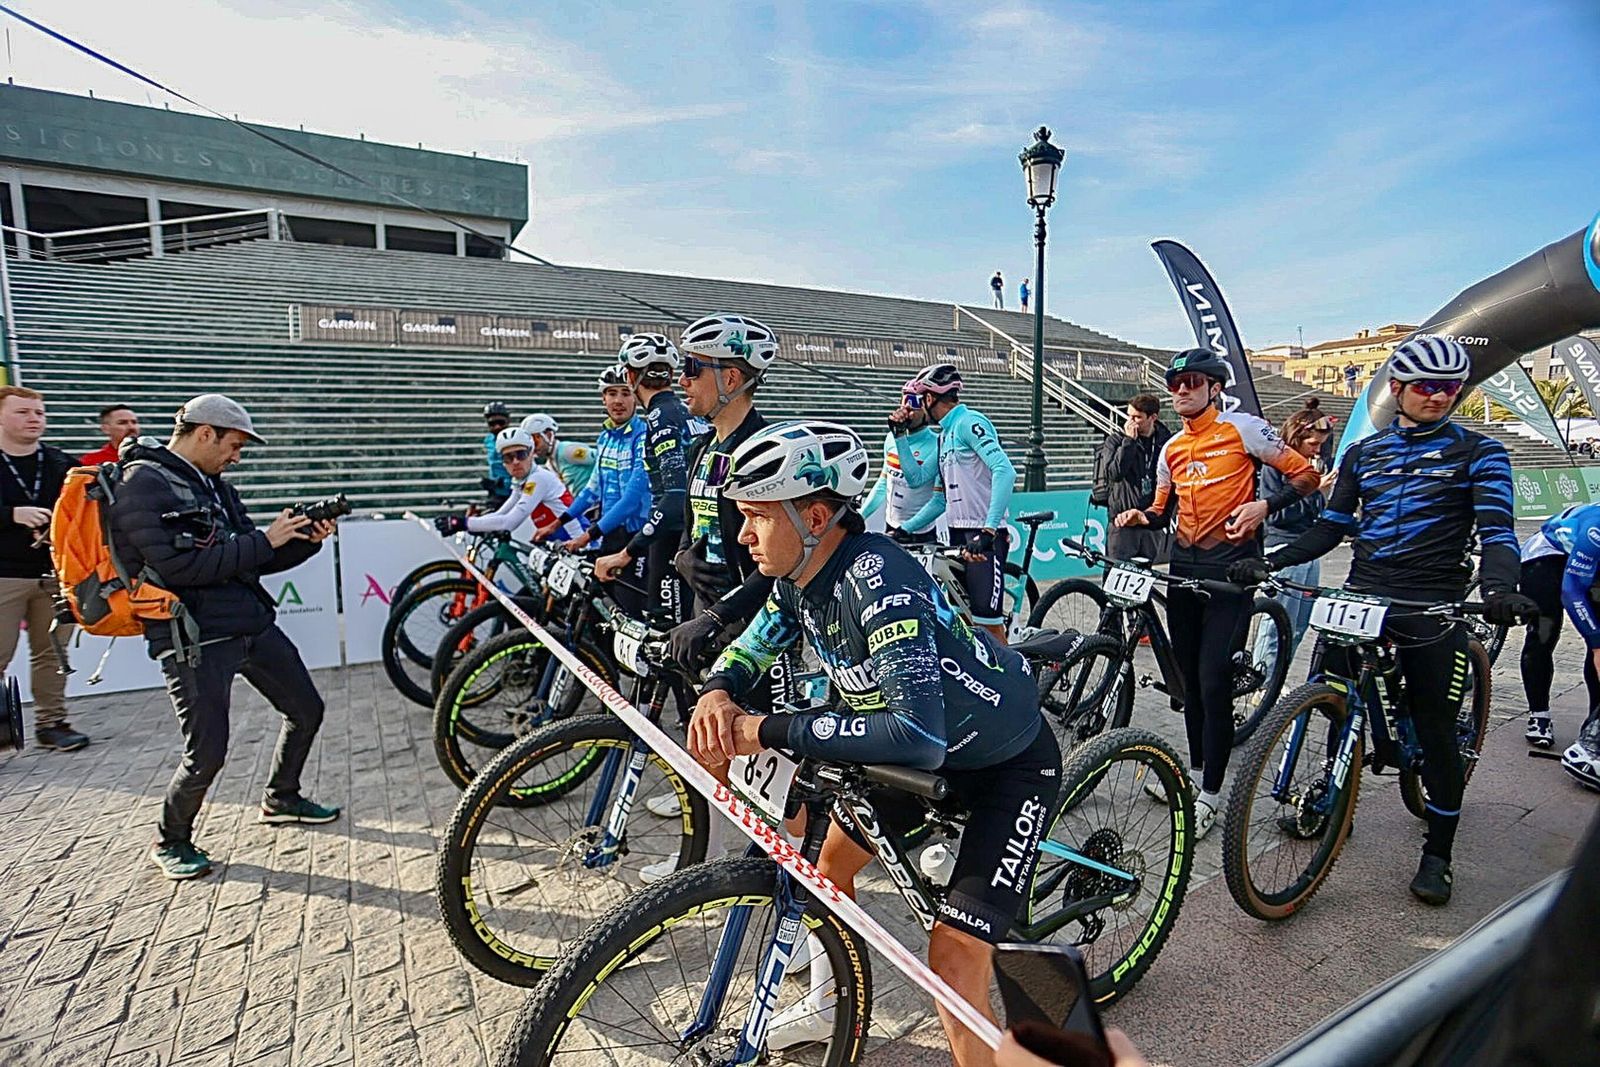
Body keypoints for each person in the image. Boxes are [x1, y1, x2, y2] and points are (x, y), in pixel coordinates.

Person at [686, 420, 1059, 1067]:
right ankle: (831, 1007)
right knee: (828, 871)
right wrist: (719, 688)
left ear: (817, 516)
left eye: (756, 517)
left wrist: (764, 729)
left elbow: (917, 735)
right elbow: (754, 645)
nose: (743, 534)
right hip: (911, 748)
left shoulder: (879, 581)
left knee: (952, 955)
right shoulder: (799, 576)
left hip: (1005, 763)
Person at [1229, 336, 1536, 904]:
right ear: (1396, 389)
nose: (1439, 396)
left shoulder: (1480, 452)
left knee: (1438, 732)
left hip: (1431, 602)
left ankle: (1438, 853)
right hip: (1364, 595)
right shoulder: (1364, 454)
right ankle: (1331, 790)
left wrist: (1500, 589)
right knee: (1329, 691)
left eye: (1451, 387)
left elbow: (1497, 533)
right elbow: (1330, 529)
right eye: (1426, 386)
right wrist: (1269, 559)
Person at [109, 395, 341, 881]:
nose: (237, 457)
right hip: (193, 639)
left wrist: (305, 542)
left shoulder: (212, 484)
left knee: (307, 710)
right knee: (207, 752)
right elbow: (182, 568)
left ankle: (282, 797)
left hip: (249, 622)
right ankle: (170, 839)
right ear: (205, 433)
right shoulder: (140, 485)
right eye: (234, 446)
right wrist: (265, 540)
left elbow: (252, 557)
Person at [1116, 350, 1319, 839]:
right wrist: (1143, 516)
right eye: (1175, 384)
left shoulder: (1243, 429)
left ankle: (1211, 793)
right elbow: (1163, 510)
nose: (1182, 390)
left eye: (1192, 382)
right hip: (1185, 571)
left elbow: (1306, 476)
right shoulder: (1171, 450)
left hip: (1232, 572)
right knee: (1188, 685)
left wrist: (1264, 506)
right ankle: (1194, 771)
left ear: (1213, 387)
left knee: (1212, 680)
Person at [899, 364, 1017, 643]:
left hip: (983, 534)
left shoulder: (968, 422)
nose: (917, 406)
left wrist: (989, 531)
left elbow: (1005, 470)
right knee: (962, 620)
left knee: (988, 623)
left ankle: (1014, 682)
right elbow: (920, 482)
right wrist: (906, 529)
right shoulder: (944, 435)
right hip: (957, 534)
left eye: (919, 399)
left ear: (929, 399)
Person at [0, 385, 86, 751]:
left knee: (52, 652)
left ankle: (52, 723)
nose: (34, 418)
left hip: (56, 573)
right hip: (4, 574)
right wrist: (10, 515)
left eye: (39, 412)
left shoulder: (62, 464)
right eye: (23, 412)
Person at [594, 334, 696, 625]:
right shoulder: (688, 412)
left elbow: (675, 497)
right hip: (696, 540)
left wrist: (627, 553)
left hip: (672, 541)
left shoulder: (659, 419)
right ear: (672, 374)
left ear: (629, 376)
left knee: (667, 636)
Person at [538, 367, 651, 614]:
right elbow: (592, 490)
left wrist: (584, 537)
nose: (618, 401)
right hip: (609, 532)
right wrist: (557, 524)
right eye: (612, 393)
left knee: (628, 609)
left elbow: (632, 500)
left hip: (637, 537)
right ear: (603, 398)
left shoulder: (644, 437)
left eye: (625, 393)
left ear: (636, 398)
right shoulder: (605, 437)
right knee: (602, 608)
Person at [1250, 408, 1335, 678]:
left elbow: (1316, 510)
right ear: (1298, 436)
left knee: (1298, 625)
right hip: (1283, 549)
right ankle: (1260, 679)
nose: (1317, 451)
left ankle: (1276, 679)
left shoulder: (1310, 467)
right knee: (1275, 625)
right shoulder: (1276, 465)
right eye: (1313, 444)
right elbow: (1277, 515)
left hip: (1308, 550)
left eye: (1321, 445)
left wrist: (1319, 493)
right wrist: (1315, 491)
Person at [1517, 503, 1600, 776]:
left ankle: (1593, 727)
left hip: (1590, 563)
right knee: (1545, 631)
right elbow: (1572, 590)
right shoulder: (1595, 530)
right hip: (1547, 558)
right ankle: (1538, 714)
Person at [434, 428, 583, 541]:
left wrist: (462, 523)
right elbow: (500, 514)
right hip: (560, 543)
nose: (515, 462)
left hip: (578, 542)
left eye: (521, 454)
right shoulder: (520, 480)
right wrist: (474, 523)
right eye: (508, 458)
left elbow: (509, 522)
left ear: (531, 453)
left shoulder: (539, 478)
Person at [1091, 393, 1171, 563]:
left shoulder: (1165, 442)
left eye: (1137, 417)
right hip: (1122, 521)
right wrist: (1129, 442)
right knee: (1116, 572)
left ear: (1153, 418)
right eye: (1129, 415)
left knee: (1145, 573)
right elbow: (1114, 474)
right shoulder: (1115, 441)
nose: (1130, 422)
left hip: (1148, 520)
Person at [861, 388, 940, 543]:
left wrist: (906, 528)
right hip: (892, 527)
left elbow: (939, 501)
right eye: (904, 405)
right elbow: (884, 484)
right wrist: (860, 516)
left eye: (912, 407)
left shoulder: (937, 444)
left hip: (921, 533)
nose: (905, 411)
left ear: (927, 411)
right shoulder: (891, 438)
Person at [520, 412, 594, 495]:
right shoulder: (550, 463)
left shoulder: (569, 450)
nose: (534, 448)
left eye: (535, 441)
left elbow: (603, 459)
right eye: (529, 444)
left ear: (548, 435)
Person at [481, 401, 513, 506]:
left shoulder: (515, 441)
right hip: (495, 492)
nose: (497, 427)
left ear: (508, 421)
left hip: (513, 492)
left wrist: (504, 483)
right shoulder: (488, 440)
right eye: (492, 423)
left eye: (501, 422)